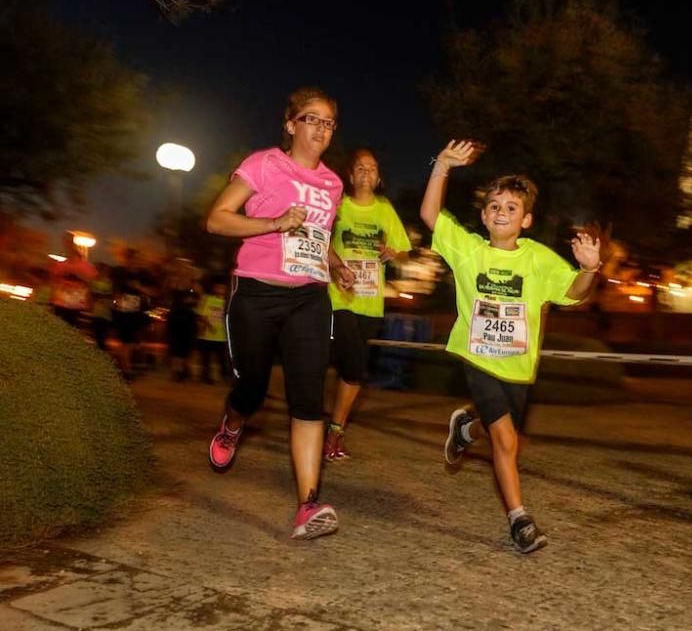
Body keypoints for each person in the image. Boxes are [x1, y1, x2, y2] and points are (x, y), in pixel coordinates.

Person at [420, 140, 601, 553]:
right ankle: (519, 520)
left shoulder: (538, 259)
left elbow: (574, 292)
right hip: (477, 358)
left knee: (499, 431)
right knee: (505, 441)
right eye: (495, 206)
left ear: (527, 219)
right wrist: (442, 166)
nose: (502, 212)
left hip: (518, 367)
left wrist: (591, 269)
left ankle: (466, 427)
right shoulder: (468, 250)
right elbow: (430, 215)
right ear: (484, 216)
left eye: (511, 208)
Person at [205, 86, 354, 540]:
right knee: (251, 385)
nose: (321, 129)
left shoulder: (333, 183)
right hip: (256, 294)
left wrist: (338, 265)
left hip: (309, 298)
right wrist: (273, 223)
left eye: (328, 122)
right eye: (311, 119)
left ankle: (308, 504)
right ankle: (233, 424)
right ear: (291, 125)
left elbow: (318, 236)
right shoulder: (264, 164)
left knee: (308, 397)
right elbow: (218, 219)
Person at [324, 148, 412, 460]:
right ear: (350, 176)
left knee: (353, 370)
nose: (365, 172)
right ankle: (331, 430)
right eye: (360, 167)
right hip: (341, 297)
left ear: (378, 178)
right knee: (351, 364)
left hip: (371, 301)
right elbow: (320, 242)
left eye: (371, 168)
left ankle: (335, 428)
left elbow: (402, 251)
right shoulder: (340, 206)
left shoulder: (385, 209)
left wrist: (392, 252)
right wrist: (337, 269)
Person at [111, 248, 154, 380]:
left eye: (139, 259)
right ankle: (126, 369)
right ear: (128, 259)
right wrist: (116, 301)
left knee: (133, 342)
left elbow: (154, 292)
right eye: (134, 259)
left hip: (138, 313)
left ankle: (126, 367)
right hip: (122, 312)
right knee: (125, 342)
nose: (136, 262)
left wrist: (139, 288)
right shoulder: (120, 272)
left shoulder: (144, 275)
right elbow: (115, 290)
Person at [50, 233, 97, 328]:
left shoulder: (86, 266)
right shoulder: (61, 265)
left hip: (76, 305)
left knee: (71, 330)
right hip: (61, 302)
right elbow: (54, 281)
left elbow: (92, 282)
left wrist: (77, 275)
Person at [196, 278, 230, 384]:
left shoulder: (227, 301)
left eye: (223, 288)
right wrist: (209, 326)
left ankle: (225, 377)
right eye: (218, 287)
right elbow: (202, 315)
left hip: (222, 336)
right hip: (208, 335)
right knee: (206, 358)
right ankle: (205, 377)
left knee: (222, 359)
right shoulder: (209, 299)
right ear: (214, 288)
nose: (220, 290)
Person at [90, 263, 114, 350]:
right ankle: (101, 349)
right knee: (99, 333)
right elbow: (91, 294)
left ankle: (101, 349)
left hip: (105, 311)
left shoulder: (109, 282)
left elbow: (112, 296)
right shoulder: (95, 281)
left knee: (102, 333)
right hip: (98, 311)